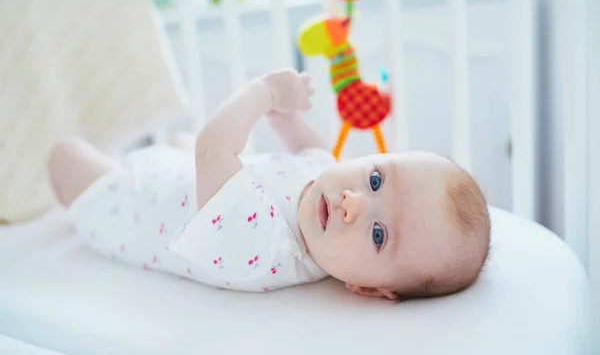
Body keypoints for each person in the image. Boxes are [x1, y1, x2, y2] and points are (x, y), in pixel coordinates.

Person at [48, 69, 490, 300]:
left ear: (370, 289)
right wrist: (289, 118)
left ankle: (91, 165)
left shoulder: (264, 248)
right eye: (375, 178)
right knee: (176, 142)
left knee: (64, 154)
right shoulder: (326, 195)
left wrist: (263, 94)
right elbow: (314, 153)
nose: (354, 203)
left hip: (129, 203)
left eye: (378, 235)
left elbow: (212, 150)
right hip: (180, 174)